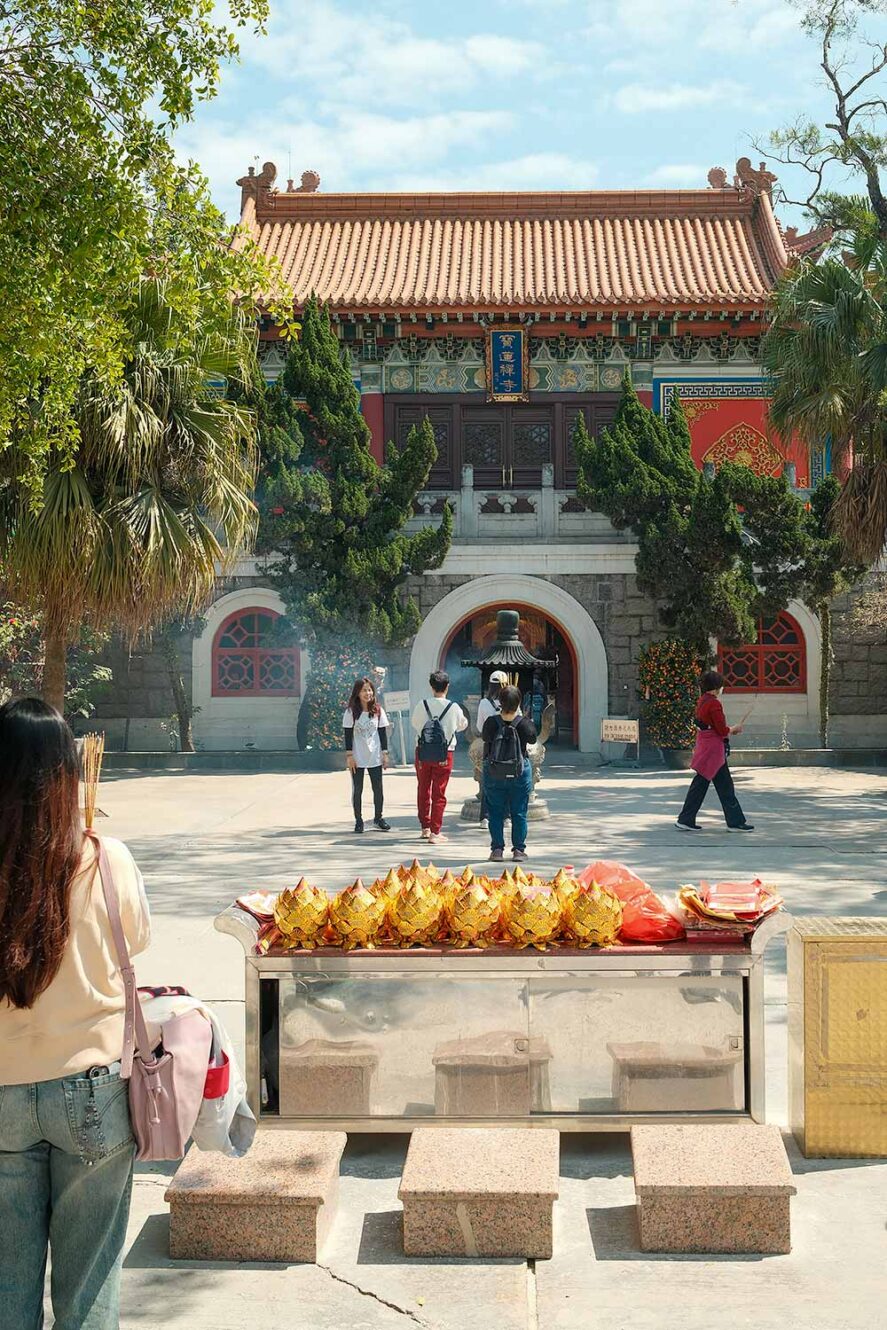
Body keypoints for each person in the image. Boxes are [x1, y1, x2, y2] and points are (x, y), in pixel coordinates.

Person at [0, 697, 151, 1330]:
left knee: (7, 1284)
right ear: (69, 774)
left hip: (3, 1089)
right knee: (88, 1287)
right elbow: (135, 944)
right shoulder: (106, 857)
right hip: (92, 1087)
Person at [676, 670, 754, 832]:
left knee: (701, 784)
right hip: (714, 750)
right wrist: (734, 729)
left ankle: (686, 818)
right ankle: (735, 822)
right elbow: (720, 729)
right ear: (716, 687)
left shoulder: (702, 701)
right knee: (724, 786)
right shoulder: (714, 704)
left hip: (706, 747)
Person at [411, 669, 468, 845]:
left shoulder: (422, 705)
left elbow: (415, 723)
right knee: (439, 792)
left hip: (423, 753)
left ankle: (425, 827)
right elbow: (462, 725)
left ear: (431, 686)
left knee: (423, 788)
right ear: (447, 686)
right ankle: (436, 831)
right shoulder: (454, 707)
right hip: (445, 753)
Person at [481, 684, 537, 862]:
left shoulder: (491, 722)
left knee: (495, 812)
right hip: (519, 772)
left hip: (494, 771)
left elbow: (485, 738)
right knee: (519, 812)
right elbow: (533, 738)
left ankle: (497, 850)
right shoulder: (524, 723)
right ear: (519, 702)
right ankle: (518, 850)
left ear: (500, 702)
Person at [344, 676, 391, 833]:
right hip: (358, 757)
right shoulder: (351, 712)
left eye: (370, 689)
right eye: (364, 690)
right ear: (357, 693)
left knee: (378, 789)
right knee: (357, 789)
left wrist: (385, 754)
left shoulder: (378, 710)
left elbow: (382, 732)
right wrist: (349, 756)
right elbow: (348, 735)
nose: (367, 693)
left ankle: (378, 818)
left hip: (375, 756)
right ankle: (359, 820)